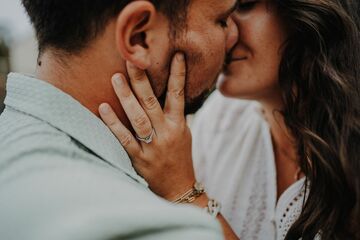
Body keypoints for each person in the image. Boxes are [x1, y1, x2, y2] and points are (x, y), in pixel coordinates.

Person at [100, 0, 360, 239]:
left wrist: (184, 192)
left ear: (308, 14)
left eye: (244, 5)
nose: (227, 33)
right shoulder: (219, 120)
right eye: (219, 15)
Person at [0, 0, 240, 239]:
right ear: (139, 36)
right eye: (221, 21)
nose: (234, 36)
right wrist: (185, 192)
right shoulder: (150, 229)